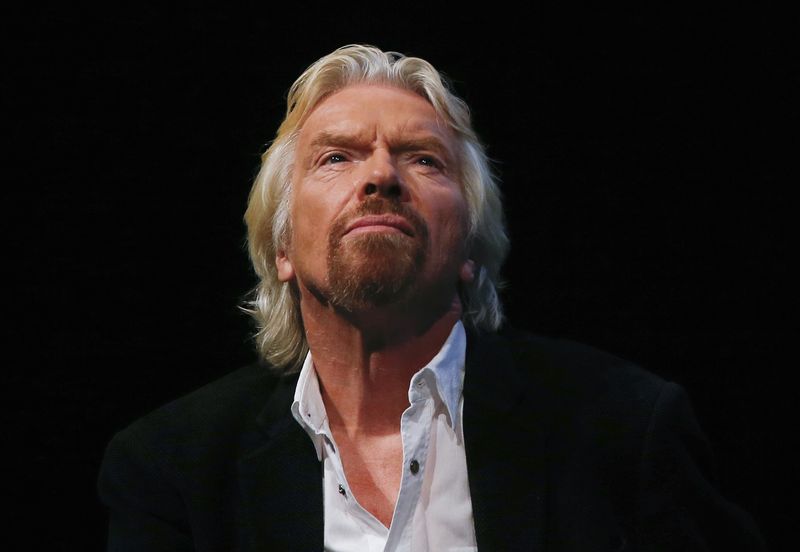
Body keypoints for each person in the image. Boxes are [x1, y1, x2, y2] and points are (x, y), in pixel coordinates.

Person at [98, 44, 765, 551]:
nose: (381, 174)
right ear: (281, 250)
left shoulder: (622, 429)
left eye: (423, 158)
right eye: (337, 157)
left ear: (472, 251)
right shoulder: (173, 467)